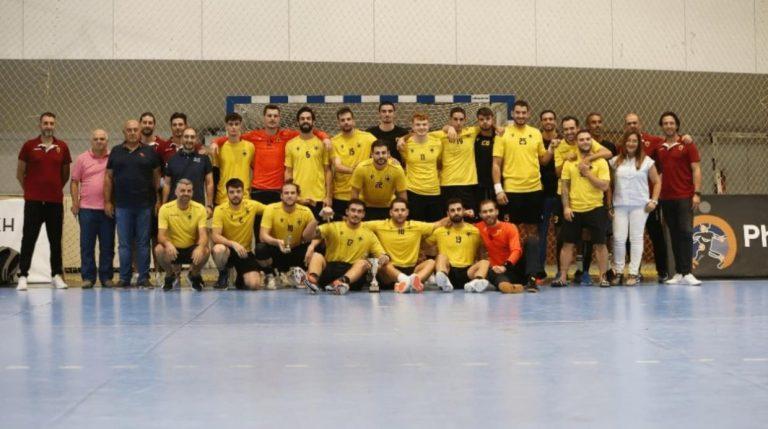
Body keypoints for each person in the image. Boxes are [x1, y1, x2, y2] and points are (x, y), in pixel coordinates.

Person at [212, 104, 331, 233]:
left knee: (278, 231)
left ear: (279, 118)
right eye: (269, 116)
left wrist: (324, 137)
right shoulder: (253, 136)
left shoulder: (288, 135)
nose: (272, 118)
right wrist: (215, 142)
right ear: (264, 118)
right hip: (258, 190)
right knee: (259, 231)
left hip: (279, 191)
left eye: (275, 116)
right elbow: (232, 137)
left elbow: (309, 131)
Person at [15, 112, 72, 290]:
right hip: (33, 202)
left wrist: (53, 189)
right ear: (40, 125)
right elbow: (20, 173)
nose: (48, 126)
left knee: (55, 240)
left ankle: (56, 275)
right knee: (29, 238)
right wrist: (30, 191)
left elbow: (65, 175)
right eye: (45, 123)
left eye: (51, 123)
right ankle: (23, 275)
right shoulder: (29, 146)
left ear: (55, 125)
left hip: (54, 202)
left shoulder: (62, 146)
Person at [553, 116, 613, 284]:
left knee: (600, 244)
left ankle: (603, 277)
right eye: (581, 140)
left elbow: (605, 186)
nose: (585, 142)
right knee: (568, 244)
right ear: (577, 143)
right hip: (574, 209)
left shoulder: (601, 162)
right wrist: (566, 207)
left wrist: (587, 173)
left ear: (591, 141)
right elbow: (565, 187)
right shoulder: (569, 162)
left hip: (595, 208)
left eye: (588, 139)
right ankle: (563, 277)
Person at [104, 119, 161, 288]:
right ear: (124, 132)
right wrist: (107, 201)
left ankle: (144, 277)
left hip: (145, 206)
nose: (132, 132)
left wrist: (158, 200)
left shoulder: (150, 152)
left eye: (135, 129)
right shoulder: (116, 152)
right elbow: (108, 177)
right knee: (124, 244)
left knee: (143, 243)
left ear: (140, 131)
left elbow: (157, 178)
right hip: (122, 206)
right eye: (129, 130)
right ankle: (124, 278)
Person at [492, 100, 554, 240]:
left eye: (523, 113)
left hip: (534, 189)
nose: (520, 115)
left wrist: (551, 149)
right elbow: (496, 164)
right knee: (511, 231)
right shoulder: (502, 133)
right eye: (518, 112)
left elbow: (543, 160)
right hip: (511, 190)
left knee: (532, 231)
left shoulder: (536, 133)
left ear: (528, 114)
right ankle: (514, 255)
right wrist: (498, 189)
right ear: (512, 113)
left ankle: (531, 256)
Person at [303, 199, 389, 295]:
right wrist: (318, 217)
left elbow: (382, 255)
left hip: (352, 276)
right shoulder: (333, 226)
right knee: (316, 256)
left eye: (359, 211)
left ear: (363, 214)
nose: (355, 214)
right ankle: (312, 282)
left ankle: (341, 282)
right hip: (331, 269)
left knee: (363, 263)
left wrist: (383, 258)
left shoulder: (369, 235)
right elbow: (306, 236)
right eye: (353, 210)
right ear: (347, 211)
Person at [655, 112, 702, 286]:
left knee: (686, 233)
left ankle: (688, 272)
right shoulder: (659, 147)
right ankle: (679, 273)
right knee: (673, 234)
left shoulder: (688, 144)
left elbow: (696, 169)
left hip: (684, 196)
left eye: (671, 123)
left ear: (677, 125)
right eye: (665, 123)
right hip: (666, 198)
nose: (669, 126)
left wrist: (697, 193)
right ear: (662, 126)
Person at [609, 131, 661, 286]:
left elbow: (657, 182)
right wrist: (609, 205)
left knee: (636, 238)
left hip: (640, 206)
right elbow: (608, 184)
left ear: (639, 144)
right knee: (618, 239)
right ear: (623, 142)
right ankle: (618, 272)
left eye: (634, 141)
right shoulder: (615, 161)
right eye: (628, 140)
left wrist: (654, 201)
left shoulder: (647, 161)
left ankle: (633, 273)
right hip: (620, 205)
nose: (631, 143)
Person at [363, 198, 438, 293]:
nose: (400, 213)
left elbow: (439, 224)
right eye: (396, 210)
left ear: (407, 212)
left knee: (431, 262)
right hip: (390, 272)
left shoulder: (417, 226)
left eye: (403, 210)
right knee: (384, 264)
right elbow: (360, 225)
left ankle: (412, 282)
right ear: (391, 212)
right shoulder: (379, 225)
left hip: (411, 269)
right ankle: (407, 281)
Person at [70, 129, 114, 289]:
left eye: (102, 139)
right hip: (87, 210)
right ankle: (88, 278)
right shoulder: (82, 158)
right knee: (87, 246)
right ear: (91, 141)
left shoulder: (113, 158)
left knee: (107, 246)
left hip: (107, 210)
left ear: (107, 141)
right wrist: (75, 202)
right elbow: (74, 181)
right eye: (96, 139)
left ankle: (106, 277)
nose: (99, 141)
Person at [256, 181, 318, 287]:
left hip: (295, 250)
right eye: (286, 193)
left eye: (293, 193)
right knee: (260, 248)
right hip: (277, 250)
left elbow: (317, 233)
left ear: (297, 196)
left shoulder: (306, 211)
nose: (289, 196)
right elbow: (263, 236)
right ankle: (270, 274)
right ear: (281, 196)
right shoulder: (271, 209)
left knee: (316, 251)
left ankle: (307, 277)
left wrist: (312, 246)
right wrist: (276, 242)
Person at [211, 178, 267, 290]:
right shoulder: (219, 210)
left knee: (254, 284)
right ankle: (223, 273)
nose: (235, 195)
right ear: (227, 193)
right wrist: (233, 244)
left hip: (244, 252)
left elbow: (272, 210)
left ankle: (239, 278)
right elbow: (215, 236)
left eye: (238, 191)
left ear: (243, 192)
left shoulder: (252, 205)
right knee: (218, 249)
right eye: (231, 192)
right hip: (228, 251)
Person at [476, 200, 542, 293]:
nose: (488, 214)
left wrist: (505, 266)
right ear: (480, 215)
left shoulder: (509, 227)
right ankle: (509, 287)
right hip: (499, 273)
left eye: (491, 211)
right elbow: (460, 224)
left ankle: (532, 281)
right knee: (491, 272)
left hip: (515, 268)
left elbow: (516, 250)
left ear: (497, 212)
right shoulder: (477, 228)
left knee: (532, 241)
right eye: (485, 212)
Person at [155, 179, 209, 291]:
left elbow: (203, 235)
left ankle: (193, 275)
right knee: (159, 249)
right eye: (182, 190)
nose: (186, 193)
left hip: (191, 248)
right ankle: (170, 275)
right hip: (173, 250)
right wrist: (168, 244)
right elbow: (161, 236)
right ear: (176, 192)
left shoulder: (200, 209)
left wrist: (200, 247)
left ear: (192, 193)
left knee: (205, 251)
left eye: (189, 191)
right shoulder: (165, 209)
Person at [427, 198, 490, 292]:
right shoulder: (439, 231)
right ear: (448, 214)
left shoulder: (474, 231)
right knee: (441, 257)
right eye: (452, 210)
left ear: (463, 211)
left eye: (459, 209)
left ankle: (476, 282)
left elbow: (481, 252)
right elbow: (424, 246)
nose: (456, 212)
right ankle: (444, 281)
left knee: (485, 262)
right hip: (449, 271)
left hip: (467, 272)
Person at [284, 107, 333, 220]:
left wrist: (328, 196)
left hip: (319, 198)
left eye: (308, 118)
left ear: (313, 121)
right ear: (298, 122)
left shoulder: (322, 144)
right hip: (298, 198)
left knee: (319, 230)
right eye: (302, 119)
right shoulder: (290, 144)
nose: (305, 121)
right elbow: (288, 172)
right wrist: (292, 195)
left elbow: (328, 171)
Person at [331, 107, 377, 218]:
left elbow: (381, 152)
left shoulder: (368, 138)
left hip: (364, 195)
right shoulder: (334, 142)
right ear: (338, 123)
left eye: (348, 119)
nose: (346, 122)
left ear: (353, 120)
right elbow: (337, 166)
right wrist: (355, 170)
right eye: (342, 120)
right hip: (341, 195)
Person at [431, 107, 480, 212]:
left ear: (465, 120)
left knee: (470, 216)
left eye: (461, 119)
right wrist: (402, 139)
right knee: (450, 217)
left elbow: (487, 124)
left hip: (468, 183)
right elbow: (419, 134)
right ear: (450, 120)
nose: (458, 122)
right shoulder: (440, 135)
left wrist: (498, 128)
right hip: (447, 183)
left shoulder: (472, 132)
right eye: (455, 119)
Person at [398, 112, 443, 222]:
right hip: (413, 191)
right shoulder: (405, 144)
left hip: (433, 191)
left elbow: (440, 164)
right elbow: (403, 163)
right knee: (416, 227)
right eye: (418, 124)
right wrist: (402, 138)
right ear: (412, 127)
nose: (421, 127)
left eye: (424, 124)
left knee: (434, 227)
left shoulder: (437, 143)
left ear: (429, 126)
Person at [162, 127, 214, 217]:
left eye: (192, 137)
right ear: (182, 138)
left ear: (196, 139)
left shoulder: (204, 158)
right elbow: (167, 184)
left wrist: (209, 205)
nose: (189, 140)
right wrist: (164, 205)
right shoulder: (172, 159)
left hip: (197, 208)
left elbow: (209, 183)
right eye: (186, 137)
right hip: (175, 209)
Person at [350, 140, 407, 220]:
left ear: (388, 154)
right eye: (377, 153)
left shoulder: (397, 169)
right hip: (366, 207)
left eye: (383, 153)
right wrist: (356, 212)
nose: (381, 156)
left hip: (388, 207)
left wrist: (402, 214)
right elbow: (355, 192)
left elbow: (402, 194)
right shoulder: (361, 168)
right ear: (372, 154)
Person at [212, 112, 255, 205]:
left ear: (241, 126)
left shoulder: (250, 147)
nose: (234, 127)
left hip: (244, 197)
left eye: (236, 124)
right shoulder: (219, 147)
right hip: (223, 197)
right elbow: (215, 173)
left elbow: (255, 169)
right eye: (230, 124)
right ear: (226, 126)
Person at [537, 109, 560, 275]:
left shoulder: (564, 140)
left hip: (561, 194)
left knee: (561, 233)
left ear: (555, 121)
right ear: (541, 122)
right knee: (542, 233)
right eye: (545, 119)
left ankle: (561, 272)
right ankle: (540, 270)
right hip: (542, 193)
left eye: (551, 119)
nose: (548, 121)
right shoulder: (536, 140)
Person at [473, 107, 498, 208]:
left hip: (496, 182)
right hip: (478, 183)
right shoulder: (473, 137)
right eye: (481, 119)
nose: (485, 122)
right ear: (477, 120)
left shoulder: (500, 136)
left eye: (488, 119)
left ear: (493, 119)